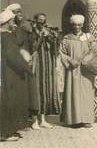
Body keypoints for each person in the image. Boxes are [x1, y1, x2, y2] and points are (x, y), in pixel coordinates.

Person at [60, 14, 97, 128]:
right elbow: (62, 53)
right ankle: (73, 120)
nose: (76, 27)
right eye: (74, 25)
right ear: (71, 25)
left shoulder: (89, 38)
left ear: (82, 25)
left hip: (86, 71)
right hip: (72, 70)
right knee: (73, 94)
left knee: (86, 94)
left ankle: (86, 119)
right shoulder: (67, 38)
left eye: (79, 25)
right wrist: (70, 60)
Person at [0, 8, 33, 141]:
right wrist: (27, 67)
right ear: (7, 22)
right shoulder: (7, 36)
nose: (14, 23)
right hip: (9, 75)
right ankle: (5, 133)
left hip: (6, 73)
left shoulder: (4, 35)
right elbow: (13, 56)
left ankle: (9, 130)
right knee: (9, 102)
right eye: (12, 21)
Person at [28, 13, 61, 130]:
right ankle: (34, 121)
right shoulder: (31, 33)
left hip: (47, 65)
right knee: (36, 91)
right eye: (40, 20)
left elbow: (55, 50)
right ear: (36, 21)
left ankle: (43, 119)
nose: (42, 22)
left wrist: (54, 37)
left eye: (44, 20)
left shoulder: (48, 31)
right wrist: (41, 36)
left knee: (45, 90)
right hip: (37, 65)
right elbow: (33, 48)